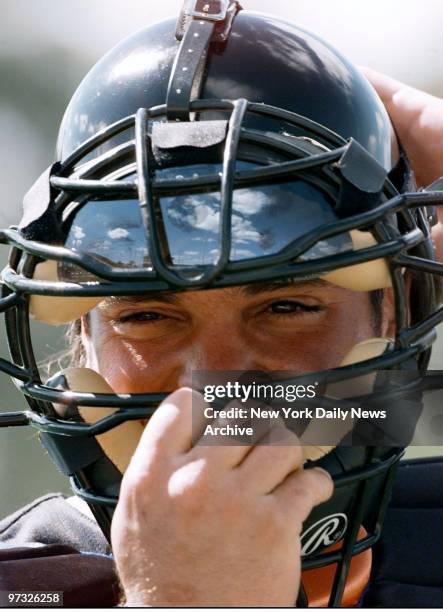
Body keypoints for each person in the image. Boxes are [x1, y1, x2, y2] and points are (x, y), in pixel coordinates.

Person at [1, 2, 443, 607]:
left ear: (390, 318)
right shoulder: (26, 585)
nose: (215, 384)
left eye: (286, 307)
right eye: (146, 316)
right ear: (84, 339)